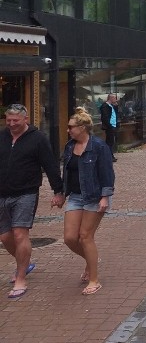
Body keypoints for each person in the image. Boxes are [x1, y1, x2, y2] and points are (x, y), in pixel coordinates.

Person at [1, 104, 64, 299]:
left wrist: (59, 191)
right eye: (8, 120)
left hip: (26, 193)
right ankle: (25, 264)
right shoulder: (2, 137)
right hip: (2, 193)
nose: (11, 124)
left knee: (20, 234)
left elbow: (51, 165)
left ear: (25, 119)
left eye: (15, 121)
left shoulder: (38, 139)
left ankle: (21, 279)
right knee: (5, 237)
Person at [61, 107, 114, 296]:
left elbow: (107, 173)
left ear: (82, 128)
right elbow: (66, 172)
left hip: (94, 196)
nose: (68, 130)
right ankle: (91, 261)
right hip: (75, 196)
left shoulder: (99, 146)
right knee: (69, 238)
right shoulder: (69, 146)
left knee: (85, 236)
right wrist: (61, 193)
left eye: (71, 127)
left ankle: (94, 279)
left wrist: (105, 196)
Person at [99, 93, 119, 162]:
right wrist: (109, 125)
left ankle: (109, 155)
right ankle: (109, 156)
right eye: (114, 98)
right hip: (110, 126)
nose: (116, 100)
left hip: (113, 125)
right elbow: (105, 117)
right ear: (111, 98)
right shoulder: (105, 106)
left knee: (111, 141)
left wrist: (116, 106)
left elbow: (115, 114)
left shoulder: (112, 106)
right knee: (109, 141)